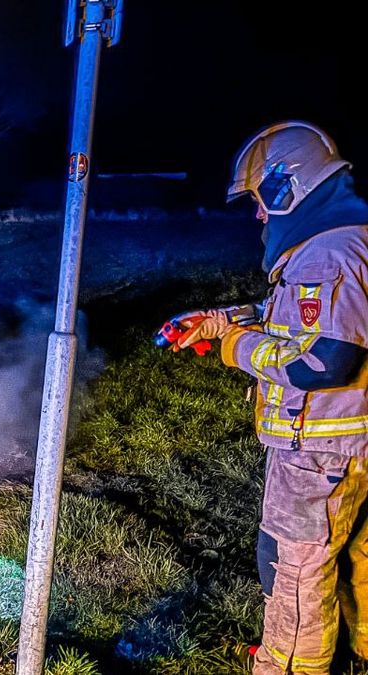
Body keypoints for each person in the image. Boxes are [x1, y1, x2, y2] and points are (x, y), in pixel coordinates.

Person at [179, 122, 368, 674]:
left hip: (319, 452)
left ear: (291, 186)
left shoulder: (327, 253)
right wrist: (224, 321)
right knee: (352, 559)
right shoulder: (344, 242)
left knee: (294, 571)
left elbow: (323, 359)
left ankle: (287, 666)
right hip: (346, 447)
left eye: (261, 200)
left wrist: (234, 345)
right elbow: (300, 321)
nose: (259, 215)